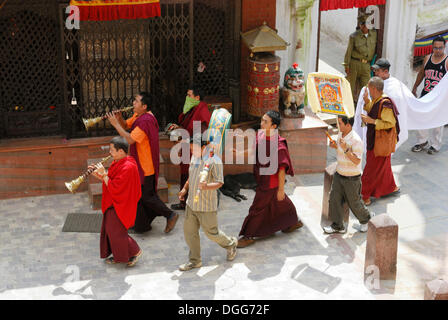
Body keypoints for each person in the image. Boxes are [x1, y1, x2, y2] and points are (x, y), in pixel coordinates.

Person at [107, 92, 179, 234]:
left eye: (136, 101)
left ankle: (170, 215)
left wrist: (115, 125)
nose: (133, 103)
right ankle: (142, 226)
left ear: (144, 106)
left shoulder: (146, 120)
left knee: (147, 197)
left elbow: (129, 139)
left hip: (145, 167)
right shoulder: (139, 116)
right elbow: (127, 126)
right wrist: (119, 119)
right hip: (140, 165)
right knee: (140, 197)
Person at [237, 110, 303, 248]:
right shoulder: (260, 135)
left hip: (271, 182)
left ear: (274, 126)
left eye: (265, 122)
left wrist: (281, 189)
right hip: (262, 178)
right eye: (262, 120)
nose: (261, 124)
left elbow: (281, 169)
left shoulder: (279, 145)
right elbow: (252, 151)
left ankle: (248, 235)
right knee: (280, 203)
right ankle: (293, 222)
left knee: (257, 208)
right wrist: (238, 153)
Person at [177, 135, 238, 271]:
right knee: (189, 232)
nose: (193, 152)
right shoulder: (194, 158)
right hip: (191, 203)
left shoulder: (214, 161)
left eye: (195, 149)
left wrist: (206, 186)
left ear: (204, 147)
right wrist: (184, 189)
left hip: (206, 205)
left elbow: (219, 182)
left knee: (212, 233)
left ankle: (231, 244)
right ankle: (195, 261)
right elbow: (191, 176)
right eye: (191, 149)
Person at [90, 136, 142, 267]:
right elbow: (111, 182)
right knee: (111, 230)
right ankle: (122, 255)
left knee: (116, 232)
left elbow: (116, 188)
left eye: (112, 150)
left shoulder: (128, 166)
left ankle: (135, 251)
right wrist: (98, 174)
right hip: (114, 201)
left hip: (122, 203)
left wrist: (104, 174)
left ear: (121, 151)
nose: (110, 153)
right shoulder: (117, 162)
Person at [323, 116, 374, 234]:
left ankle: (366, 219)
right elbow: (340, 148)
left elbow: (356, 160)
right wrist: (334, 146)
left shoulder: (356, 140)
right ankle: (338, 226)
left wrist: (346, 149)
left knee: (354, 202)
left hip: (352, 177)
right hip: (339, 173)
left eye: (340, 123)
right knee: (334, 199)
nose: (337, 126)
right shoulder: (341, 134)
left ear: (348, 125)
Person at [169, 86, 211, 211]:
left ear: (197, 97)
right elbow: (187, 127)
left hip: (195, 150)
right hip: (187, 147)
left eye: (189, 95)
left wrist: (184, 138)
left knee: (192, 175)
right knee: (186, 175)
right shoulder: (193, 109)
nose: (187, 98)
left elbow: (200, 135)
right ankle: (185, 202)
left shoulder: (201, 111)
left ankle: (193, 204)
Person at [360, 77, 400, 206]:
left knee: (371, 169)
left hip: (380, 142)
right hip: (376, 139)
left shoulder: (386, 103)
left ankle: (364, 195)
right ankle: (390, 187)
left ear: (374, 89)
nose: (368, 91)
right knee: (384, 166)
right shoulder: (378, 100)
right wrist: (366, 101)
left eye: (369, 88)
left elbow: (390, 123)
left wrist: (371, 121)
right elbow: (374, 110)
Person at [353, 58, 409, 150]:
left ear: (386, 71)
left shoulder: (395, 87)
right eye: (375, 70)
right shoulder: (371, 85)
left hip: (384, 133)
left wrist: (373, 121)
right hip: (372, 129)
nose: (375, 73)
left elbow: (391, 121)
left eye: (378, 71)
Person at [411, 36, 447, 155]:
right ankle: (422, 141)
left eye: (440, 48)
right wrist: (415, 86)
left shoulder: (447, 61)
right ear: (432, 47)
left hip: (440, 97)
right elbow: (421, 73)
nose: (437, 50)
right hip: (426, 93)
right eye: (435, 48)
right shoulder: (427, 58)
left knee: (438, 121)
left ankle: (435, 144)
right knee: (420, 117)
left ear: (444, 47)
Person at [343, 13, 377, 102]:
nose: (364, 27)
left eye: (366, 24)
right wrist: (346, 66)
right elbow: (348, 52)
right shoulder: (354, 36)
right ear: (360, 25)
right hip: (354, 64)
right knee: (349, 88)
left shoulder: (374, 34)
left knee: (366, 89)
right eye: (362, 24)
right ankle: (347, 112)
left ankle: (364, 110)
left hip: (366, 65)